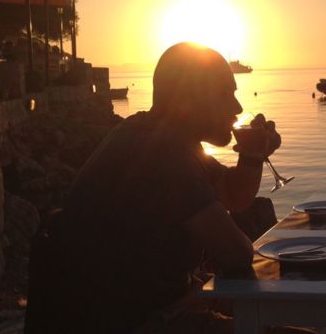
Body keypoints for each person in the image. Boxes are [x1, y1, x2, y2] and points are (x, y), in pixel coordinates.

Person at [27, 42, 280, 333]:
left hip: (129, 311)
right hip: (130, 323)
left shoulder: (153, 134)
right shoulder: (165, 154)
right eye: (226, 94)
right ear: (192, 98)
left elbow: (234, 196)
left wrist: (250, 156)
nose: (238, 107)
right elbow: (237, 254)